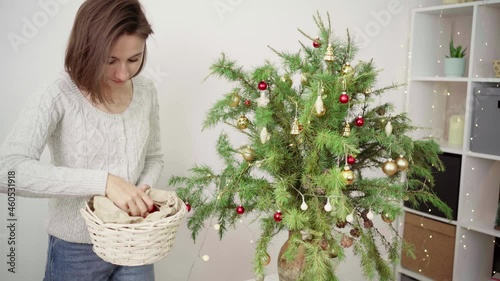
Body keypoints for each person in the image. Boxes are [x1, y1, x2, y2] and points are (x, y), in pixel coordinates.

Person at [0, 0, 163, 280]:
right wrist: (105, 182)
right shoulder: (58, 92)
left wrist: (141, 191)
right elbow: (7, 171)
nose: (123, 74)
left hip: (135, 242)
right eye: (110, 60)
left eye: (133, 59)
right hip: (75, 251)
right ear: (86, 48)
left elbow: (154, 157)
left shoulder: (146, 91)